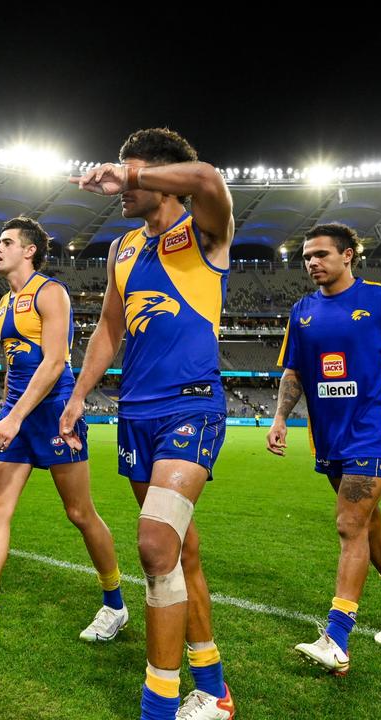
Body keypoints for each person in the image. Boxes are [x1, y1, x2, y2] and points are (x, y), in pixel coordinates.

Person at [61, 128, 236, 720]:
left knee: (154, 543)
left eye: (130, 174)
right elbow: (109, 328)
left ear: (160, 176)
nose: (118, 186)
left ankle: (157, 705)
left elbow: (208, 177)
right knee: (180, 552)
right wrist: (79, 393)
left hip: (190, 404)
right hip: (135, 412)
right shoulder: (122, 249)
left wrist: (132, 173)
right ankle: (212, 687)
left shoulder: (206, 231)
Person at [0, 216, 128, 649]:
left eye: (7, 242)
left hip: (55, 416)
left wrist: (14, 417)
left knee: (80, 514)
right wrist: (7, 411)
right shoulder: (1, 306)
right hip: (15, 416)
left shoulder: (51, 293)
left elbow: (55, 362)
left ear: (29, 250)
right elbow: (13, 367)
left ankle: (115, 604)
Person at [267, 223, 381, 676]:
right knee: (370, 527)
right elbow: (294, 372)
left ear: (348, 256)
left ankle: (337, 638)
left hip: (373, 433)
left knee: (349, 524)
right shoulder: (301, 311)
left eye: (321, 254)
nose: (311, 263)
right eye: (306, 256)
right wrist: (281, 417)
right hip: (329, 439)